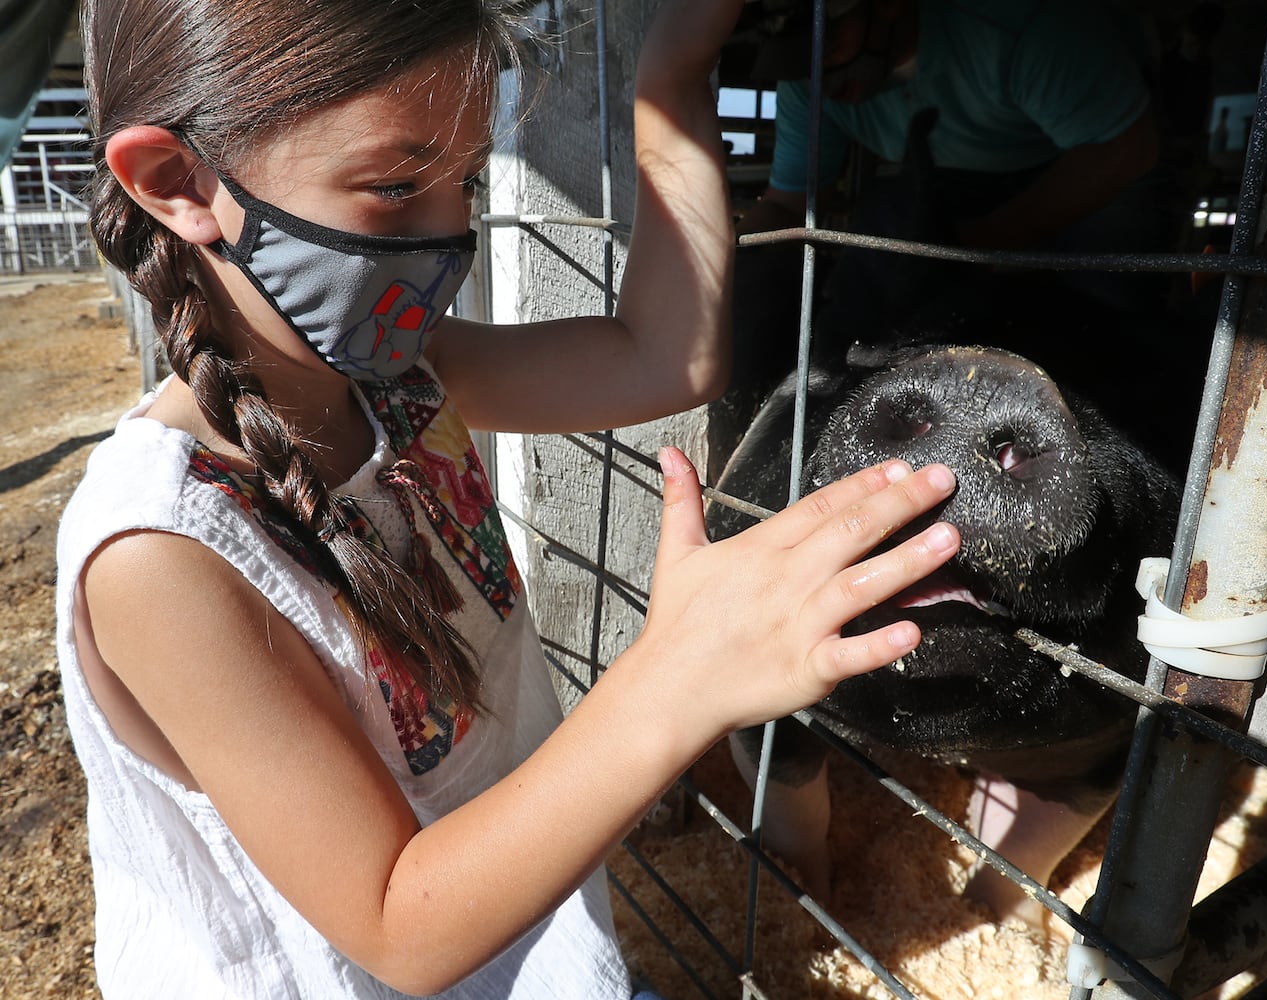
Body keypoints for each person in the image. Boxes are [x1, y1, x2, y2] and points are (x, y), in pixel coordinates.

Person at [57, 0, 962, 997]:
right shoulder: (161, 553)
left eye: (466, 182)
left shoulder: (396, 374)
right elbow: (398, 925)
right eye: (396, 186)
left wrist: (672, 72)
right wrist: (682, 673)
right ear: (178, 183)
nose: (451, 237)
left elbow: (670, 355)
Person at [720, 0, 1170, 434]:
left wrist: (981, 245)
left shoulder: (1020, 28)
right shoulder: (810, 79)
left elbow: (1127, 149)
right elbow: (785, 205)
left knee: (1105, 326)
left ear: (889, 4)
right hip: (954, 180)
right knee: (883, 248)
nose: (816, 68)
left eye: (831, 39)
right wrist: (719, 266)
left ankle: (1111, 423)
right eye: (798, 53)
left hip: (1090, 160)